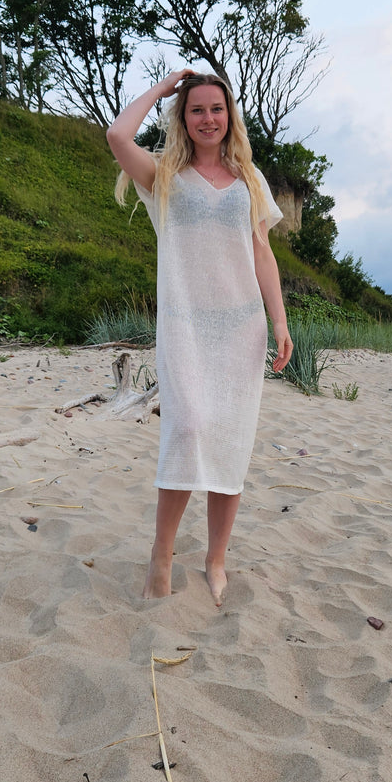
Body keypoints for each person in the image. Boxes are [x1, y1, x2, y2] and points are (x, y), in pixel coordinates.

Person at [106, 68, 293, 605]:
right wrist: (164, 88)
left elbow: (262, 253)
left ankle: (216, 560)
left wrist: (279, 322)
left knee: (230, 444)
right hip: (185, 325)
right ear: (183, 119)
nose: (208, 118)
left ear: (229, 115)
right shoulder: (163, 174)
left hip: (241, 327)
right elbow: (118, 137)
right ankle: (161, 555)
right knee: (186, 429)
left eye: (216, 108)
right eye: (196, 109)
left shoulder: (250, 180)